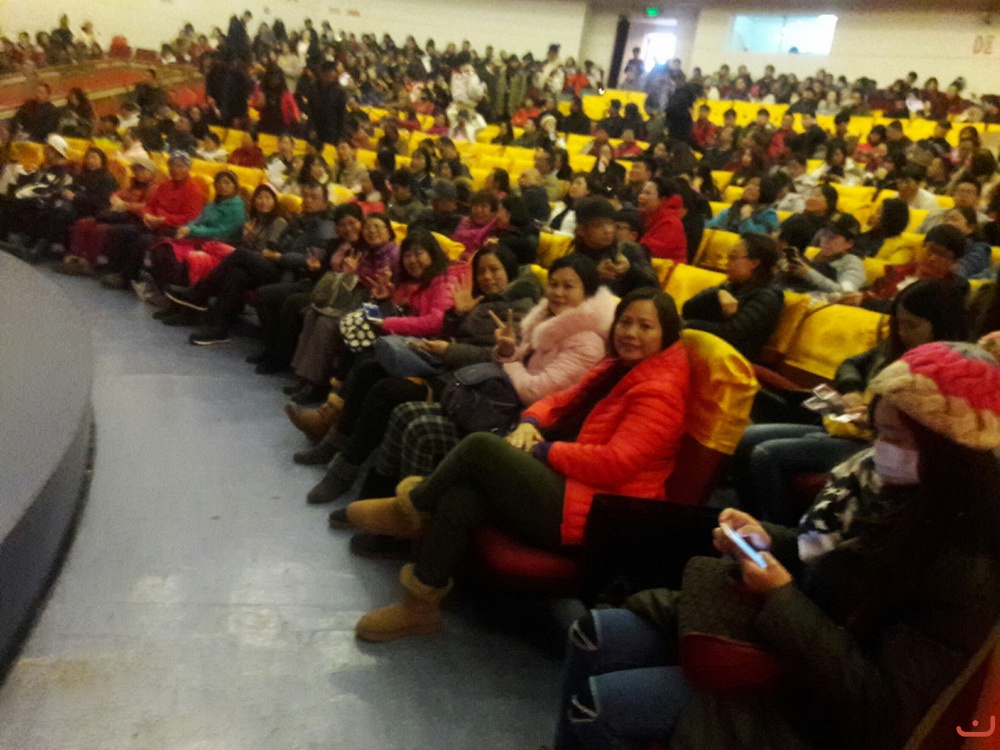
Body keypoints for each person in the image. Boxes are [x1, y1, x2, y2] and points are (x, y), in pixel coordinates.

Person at [553, 339, 1000, 750]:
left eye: (895, 438)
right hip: (791, 649)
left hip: (816, 713)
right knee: (595, 633)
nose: (880, 449)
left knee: (603, 707)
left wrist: (781, 595)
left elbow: (879, 711)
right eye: (878, 432)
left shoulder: (966, 569)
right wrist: (769, 538)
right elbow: (835, 563)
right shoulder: (896, 493)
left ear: (950, 451)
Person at [339, 287, 689, 642]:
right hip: (574, 487)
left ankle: (411, 509)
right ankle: (419, 608)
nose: (630, 333)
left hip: (599, 514)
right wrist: (530, 422)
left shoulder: (659, 392)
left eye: (645, 326)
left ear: (668, 335)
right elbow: (558, 400)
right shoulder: (616, 368)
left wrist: (544, 451)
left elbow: (616, 464)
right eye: (625, 322)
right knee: (464, 497)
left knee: (481, 446)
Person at [294, 244, 542, 495]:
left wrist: (450, 350)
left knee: (386, 391)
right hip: (447, 367)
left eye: (494, 270)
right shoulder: (480, 299)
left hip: (473, 385)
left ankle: (345, 473)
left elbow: (502, 356)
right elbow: (450, 333)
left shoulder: (520, 308)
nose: (487, 277)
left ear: (509, 270)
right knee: (369, 369)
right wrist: (457, 314)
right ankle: (332, 444)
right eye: (481, 271)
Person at [733, 277, 968, 525]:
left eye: (912, 325)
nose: (901, 332)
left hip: (878, 445)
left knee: (766, 454)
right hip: (851, 427)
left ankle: (777, 531)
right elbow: (851, 364)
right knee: (747, 437)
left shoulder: (951, 368)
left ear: (940, 324)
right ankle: (748, 520)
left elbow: (929, 432)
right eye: (898, 323)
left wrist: (876, 419)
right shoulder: (895, 346)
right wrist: (852, 390)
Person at [285, 212, 402, 399]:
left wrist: (387, 291)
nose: (372, 231)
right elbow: (355, 284)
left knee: (326, 323)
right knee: (312, 314)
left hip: (380, 308)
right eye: (368, 227)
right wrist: (350, 273)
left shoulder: (396, 256)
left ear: (389, 231)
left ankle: (318, 384)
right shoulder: (367, 253)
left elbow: (399, 293)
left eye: (377, 227)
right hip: (361, 301)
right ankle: (304, 376)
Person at [165, 183, 290, 344]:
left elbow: (269, 252)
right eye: (259, 198)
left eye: (268, 198)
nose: (263, 202)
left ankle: (200, 291)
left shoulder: (279, 222)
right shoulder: (255, 220)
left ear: (275, 202)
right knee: (236, 274)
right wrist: (247, 237)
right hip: (253, 267)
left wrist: (251, 238)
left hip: (272, 269)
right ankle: (220, 329)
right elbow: (251, 251)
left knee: (239, 254)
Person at [682, 232, 784, 362]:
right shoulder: (732, 286)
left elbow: (730, 333)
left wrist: (687, 325)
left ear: (754, 263)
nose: (727, 263)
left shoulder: (768, 297)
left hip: (730, 360)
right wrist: (716, 292)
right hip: (705, 349)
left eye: (733, 257)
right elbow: (688, 310)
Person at [148, 169, 247, 290]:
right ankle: (160, 288)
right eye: (219, 182)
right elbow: (197, 219)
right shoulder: (212, 204)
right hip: (198, 238)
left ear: (234, 186)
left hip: (218, 243)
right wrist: (187, 228)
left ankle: (172, 288)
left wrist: (192, 231)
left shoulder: (237, 208)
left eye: (227, 183)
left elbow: (223, 232)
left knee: (175, 256)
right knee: (162, 248)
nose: (222, 186)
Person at [569, 197, 658, 297]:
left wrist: (630, 269)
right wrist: (594, 275)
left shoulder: (629, 250)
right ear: (581, 230)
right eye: (599, 225)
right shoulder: (574, 261)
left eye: (611, 224)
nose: (608, 230)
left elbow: (654, 290)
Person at [781, 214, 865, 297]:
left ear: (848, 243)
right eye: (825, 234)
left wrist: (808, 273)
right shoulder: (815, 254)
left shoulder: (852, 263)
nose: (826, 240)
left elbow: (845, 293)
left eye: (833, 237)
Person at [706, 175, 782, 236]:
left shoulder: (769, 215)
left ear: (765, 191)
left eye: (756, 185)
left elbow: (753, 238)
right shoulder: (736, 207)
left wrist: (745, 217)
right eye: (749, 184)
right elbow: (715, 223)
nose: (749, 187)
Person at [636, 176, 687, 263]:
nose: (640, 196)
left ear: (663, 199)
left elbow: (649, 252)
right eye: (641, 192)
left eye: (647, 193)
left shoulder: (671, 223)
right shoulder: (644, 216)